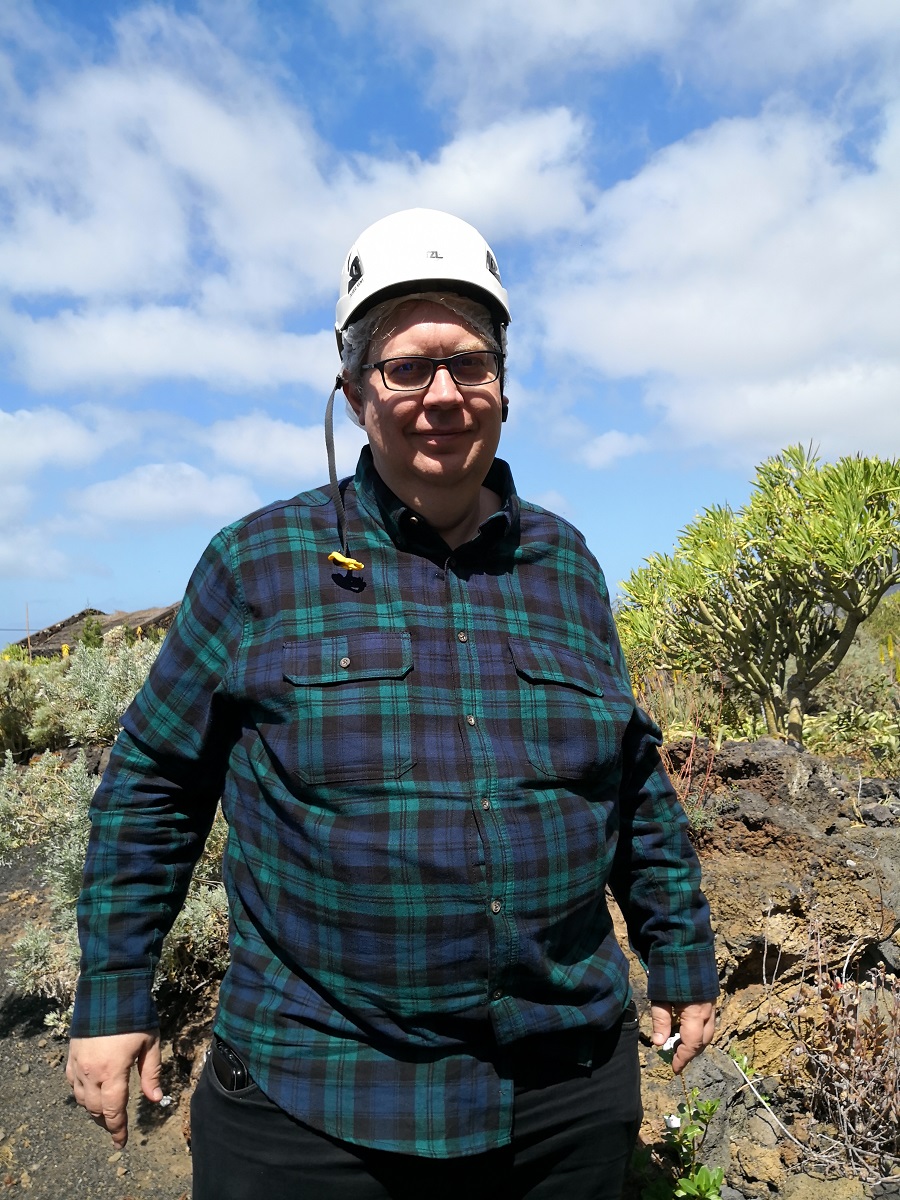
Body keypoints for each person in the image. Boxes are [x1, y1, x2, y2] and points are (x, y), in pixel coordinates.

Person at [67, 208, 718, 1200]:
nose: (442, 395)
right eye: (406, 367)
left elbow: (629, 778)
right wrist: (115, 997)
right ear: (355, 392)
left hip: (562, 1093)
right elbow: (152, 785)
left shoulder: (569, 565)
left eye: (470, 362)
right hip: (318, 1095)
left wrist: (678, 952)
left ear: (504, 382)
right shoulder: (257, 564)